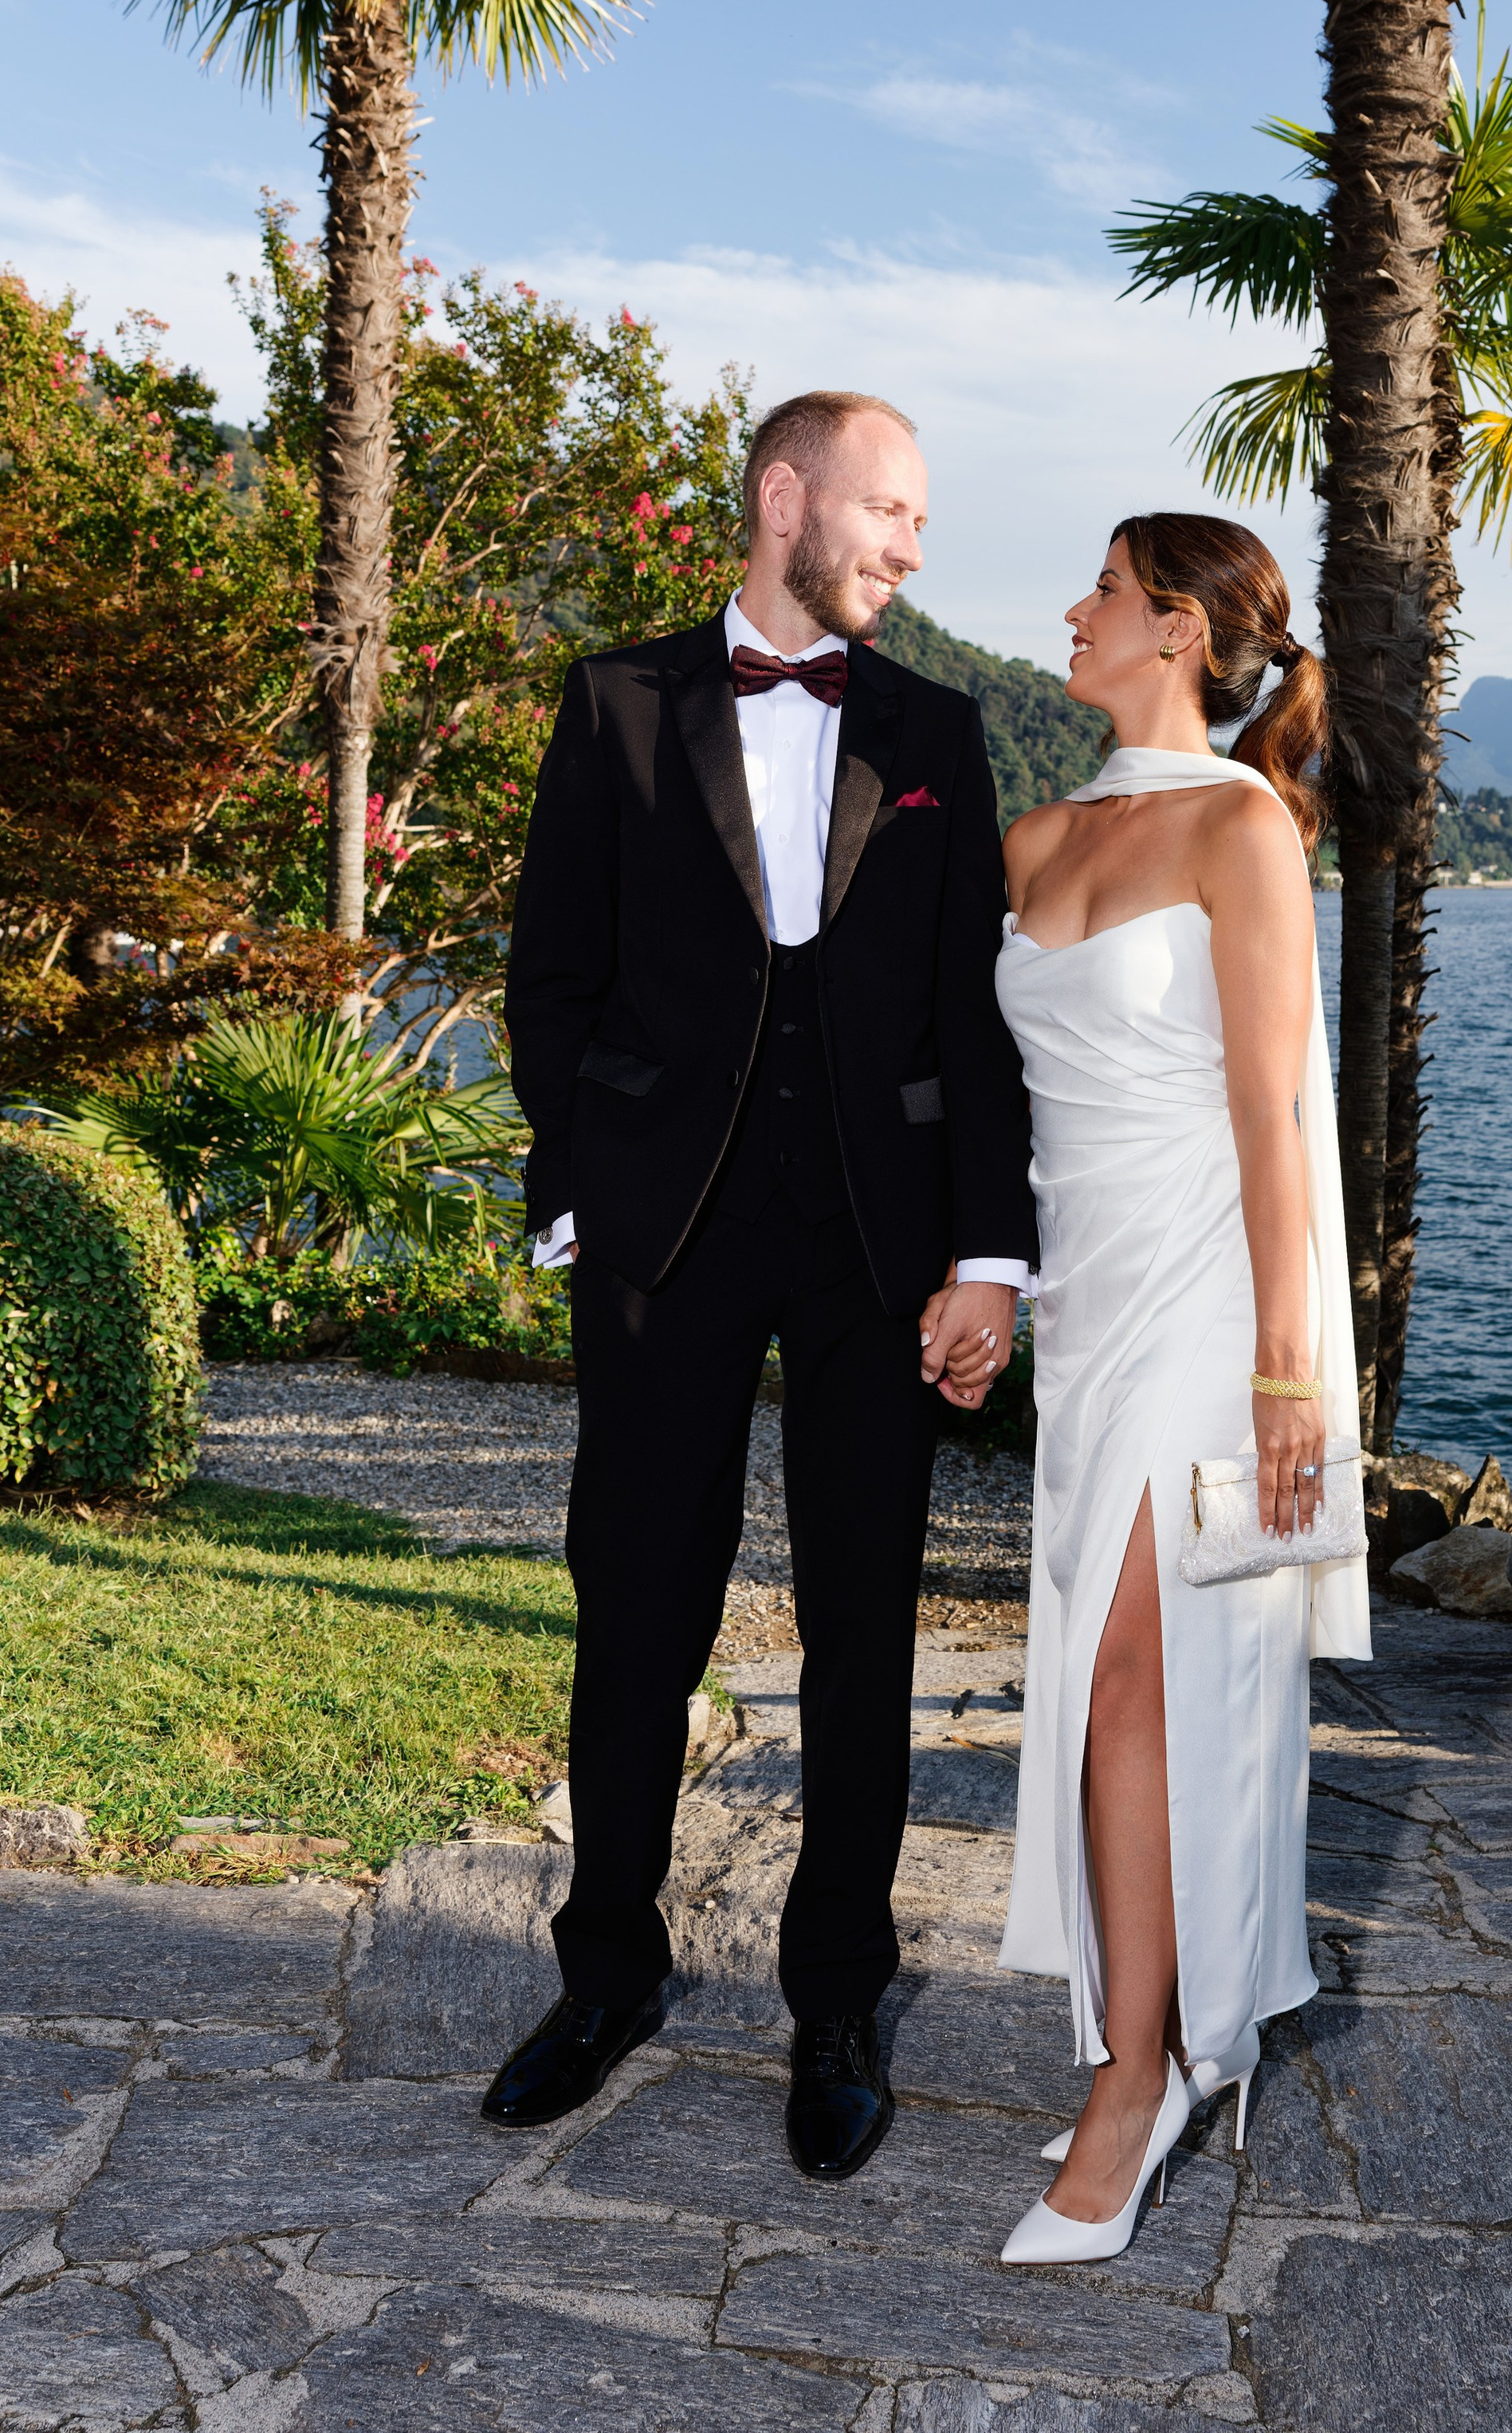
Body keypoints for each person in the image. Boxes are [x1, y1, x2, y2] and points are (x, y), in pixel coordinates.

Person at [483, 391, 1038, 2179]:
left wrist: (987, 1256)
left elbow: (973, 1020)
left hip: (875, 1249)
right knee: (636, 1608)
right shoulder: (618, 700)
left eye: (920, 521)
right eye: (891, 509)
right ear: (784, 497)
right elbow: (551, 972)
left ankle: (837, 2006)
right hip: (664, 1237)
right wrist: (580, 1197)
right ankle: (605, 1976)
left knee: (865, 1632)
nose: (911, 545)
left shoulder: (937, 728)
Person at [992, 513, 1369, 2266]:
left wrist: (1291, 1373)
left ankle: (1133, 2078)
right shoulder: (1033, 835)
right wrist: (981, 1281)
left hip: (1211, 1307)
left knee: (1137, 1676)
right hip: (1080, 1303)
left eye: (1102, 593)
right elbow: (995, 1117)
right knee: (1089, 1683)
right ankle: (1141, 2023)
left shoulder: (1240, 828)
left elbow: (1276, 1124)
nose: (1068, 613)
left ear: (1179, 634)